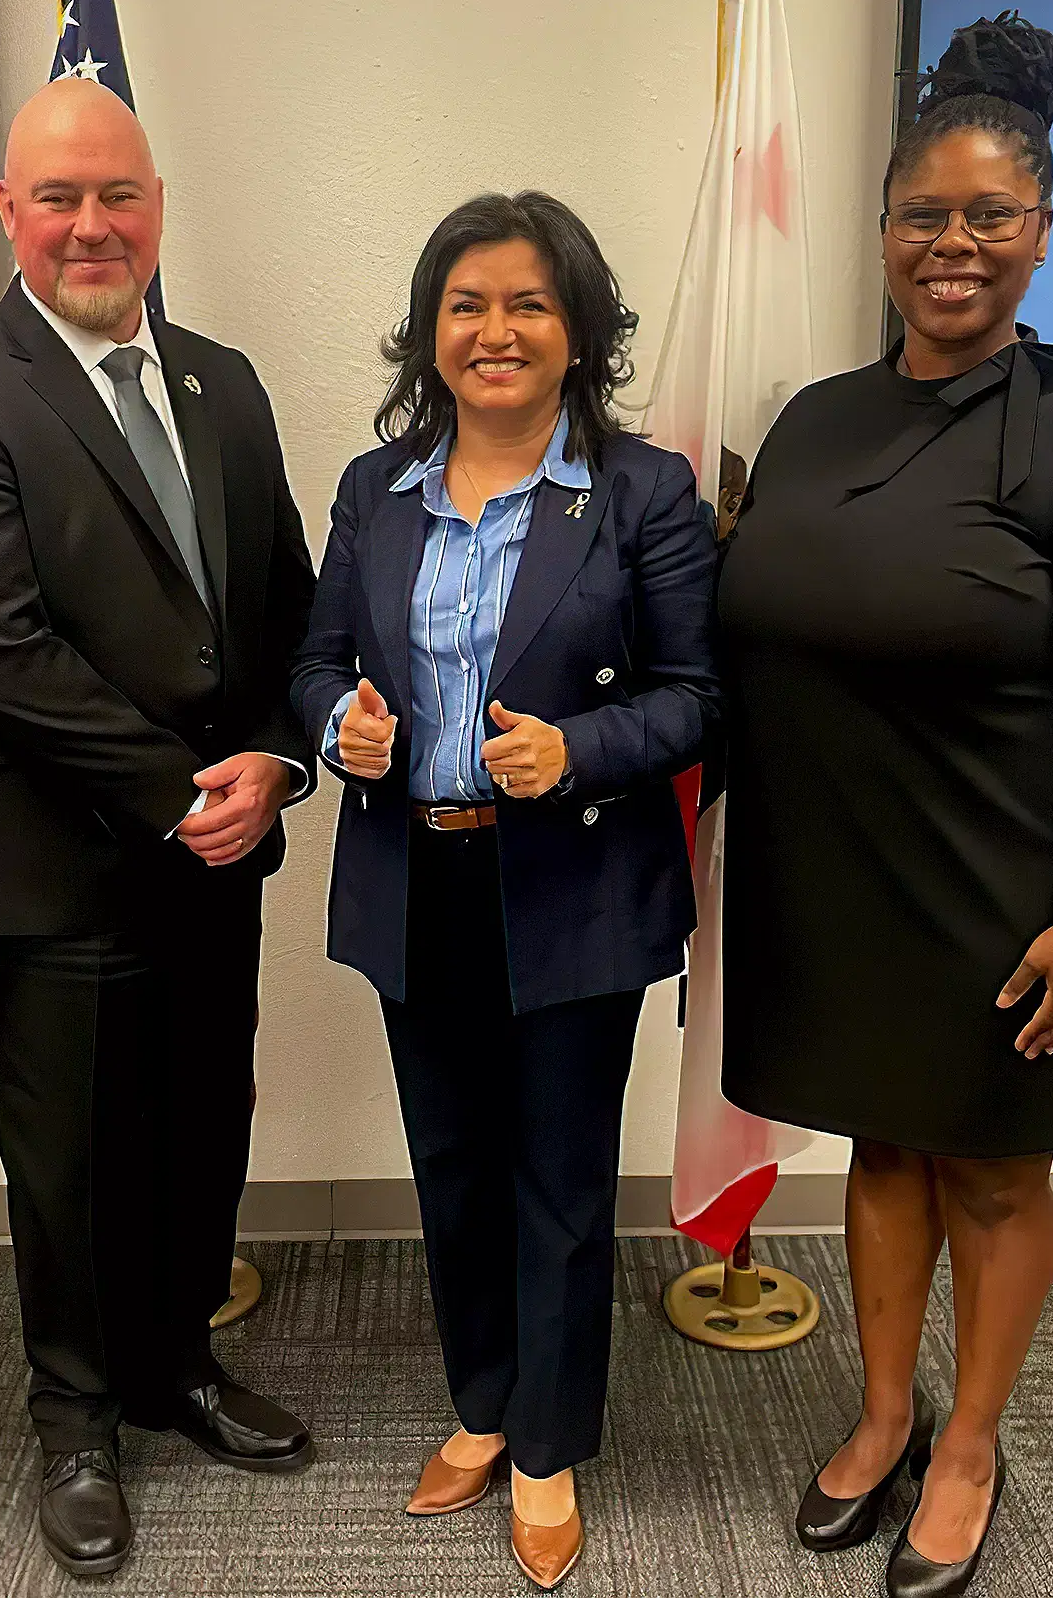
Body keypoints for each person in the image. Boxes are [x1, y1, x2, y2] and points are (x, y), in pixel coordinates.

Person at [717, 16, 1053, 1598]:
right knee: (879, 1149)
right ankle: (877, 1411)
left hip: (1003, 880)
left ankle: (972, 1440)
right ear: (884, 229)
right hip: (839, 868)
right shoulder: (813, 420)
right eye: (926, 213)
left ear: (1042, 233)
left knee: (994, 1166)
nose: (954, 245)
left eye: (991, 216)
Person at [0, 77, 318, 1580]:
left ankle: (175, 1364)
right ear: (10, 215)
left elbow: (279, 612)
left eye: (117, 194)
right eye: (57, 198)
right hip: (60, 858)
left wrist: (275, 756)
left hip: (218, 850)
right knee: (65, 1158)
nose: (90, 224)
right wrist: (179, 791)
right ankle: (74, 1418)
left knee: (202, 1122)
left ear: (158, 209)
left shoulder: (225, 382)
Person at [291, 192, 719, 1591]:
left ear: (579, 328)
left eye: (527, 302)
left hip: (574, 881)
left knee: (559, 1179)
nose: (495, 330)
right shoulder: (376, 488)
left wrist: (578, 747)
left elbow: (701, 696)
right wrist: (337, 727)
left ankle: (545, 1444)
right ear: (429, 331)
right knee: (455, 1168)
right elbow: (315, 662)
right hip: (416, 876)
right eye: (466, 304)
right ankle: (479, 1403)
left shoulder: (643, 490)